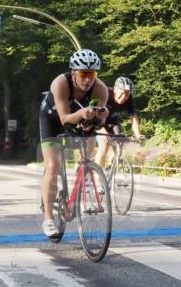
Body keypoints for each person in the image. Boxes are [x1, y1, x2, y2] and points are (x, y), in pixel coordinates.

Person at [38, 49, 110, 239]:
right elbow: (65, 120)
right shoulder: (60, 83)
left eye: (92, 75)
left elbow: (96, 123)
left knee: (90, 140)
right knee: (54, 165)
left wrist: (100, 118)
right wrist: (82, 114)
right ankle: (48, 219)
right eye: (83, 74)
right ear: (73, 73)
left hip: (79, 117)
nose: (87, 80)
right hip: (53, 119)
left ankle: (85, 174)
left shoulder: (101, 89)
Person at [94, 76, 143, 168]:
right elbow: (95, 115)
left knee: (120, 143)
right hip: (99, 121)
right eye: (122, 93)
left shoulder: (129, 99)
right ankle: (99, 177)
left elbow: (133, 117)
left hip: (113, 121)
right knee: (104, 143)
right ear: (115, 89)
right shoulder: (106, 94)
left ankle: (110, 168)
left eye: (127, 94)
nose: (124, 97)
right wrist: (104, 132)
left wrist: (138, 134)